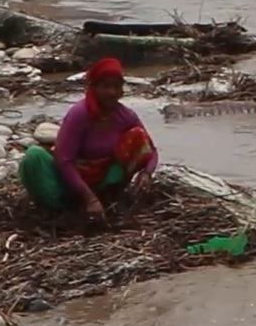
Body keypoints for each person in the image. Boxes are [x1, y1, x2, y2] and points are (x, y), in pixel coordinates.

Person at [17, 57, 157, 220]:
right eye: (106, 86)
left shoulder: (126, 116)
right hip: (69, 181)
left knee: (137, 136)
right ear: (93, 87)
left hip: (102, 181)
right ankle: (62, 208)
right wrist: (89, 198)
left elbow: (152, 150)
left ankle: (109, 198)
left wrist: (147, 173)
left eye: (116, 87)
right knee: (34, 156)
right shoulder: (80, 114)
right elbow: (64, 160)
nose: (111, 92)